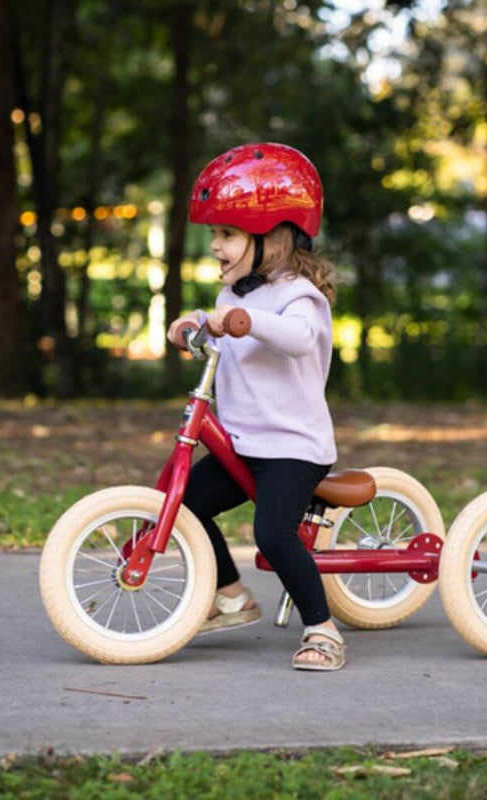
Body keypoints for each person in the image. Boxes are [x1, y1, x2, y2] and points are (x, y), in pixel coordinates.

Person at [166, 143, 344, 671]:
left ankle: (323, 630)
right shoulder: (236, 292)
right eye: (215, 235)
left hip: (293, 446)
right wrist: (194, 323)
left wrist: (247, 322)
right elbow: (224, 324)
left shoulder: (301, 297)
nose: (216, 246)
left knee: (272, 533)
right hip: (245, 441)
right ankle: (231, 597)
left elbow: (295, 337)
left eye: (227, 234)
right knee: (188, 506)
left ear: (270, 235)